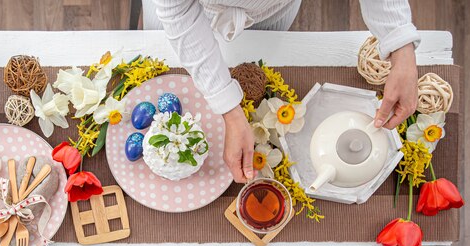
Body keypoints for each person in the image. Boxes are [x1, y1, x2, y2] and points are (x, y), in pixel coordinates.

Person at [144, 0, 420, 182]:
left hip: (269, 10)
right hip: (189, 18)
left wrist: (400, 44)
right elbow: (177, 11)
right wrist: (229, 109)